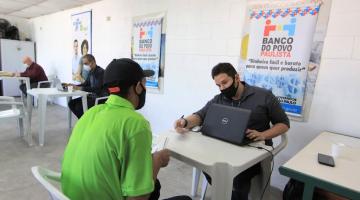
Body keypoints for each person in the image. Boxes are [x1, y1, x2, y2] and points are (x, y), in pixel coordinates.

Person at [61, 58, 191, 200]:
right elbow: (138, 197)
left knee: (155, 185)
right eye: (144, 83)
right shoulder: (136, 124)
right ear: (138, 87)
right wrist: (157, 160)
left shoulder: (91, 113)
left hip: (70, 196)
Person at [174, 63, 290, 200]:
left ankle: (235, 193)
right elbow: (200, 115)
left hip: (254, 152)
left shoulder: (264, 96)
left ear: (236, 78)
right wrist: (185, 122)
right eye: (218, 85)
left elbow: (284, 124)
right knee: (205, 163)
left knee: (237, 178)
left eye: (225, 83)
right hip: (224, 149)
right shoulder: (219, 99)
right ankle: (224, 189)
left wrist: (263, 135)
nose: (222, 88)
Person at [67, 54, 104, 118]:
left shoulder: (100, 72)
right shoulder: (91, 71)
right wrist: (74, 85)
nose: (84, 66)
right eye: (84, 64)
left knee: (79, 107)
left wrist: (80, 88)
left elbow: (96, 89)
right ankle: (83, 121)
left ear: (92, 62)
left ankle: (85, 122)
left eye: (86, 63)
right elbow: (85, 84)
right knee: (71, 103)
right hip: (91, 96)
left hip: (98, 97)